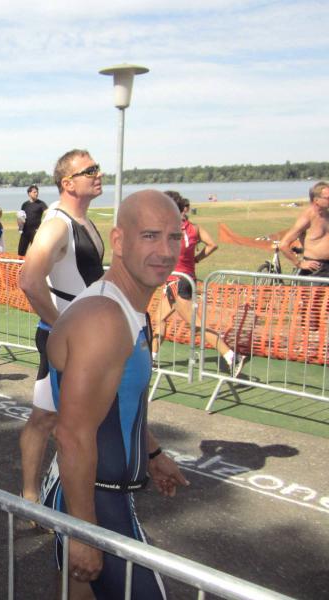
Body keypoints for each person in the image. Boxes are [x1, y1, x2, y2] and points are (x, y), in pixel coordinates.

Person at [46, 190, 189, 599]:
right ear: (119, 241)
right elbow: (72, 434)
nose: (166, 251)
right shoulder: (104, 318)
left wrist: (153, 454)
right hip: (93, 499)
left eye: (173, 237)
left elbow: (115, 404)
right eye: (150, 236)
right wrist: (83, 533)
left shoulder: (129, 308)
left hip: (97, 493)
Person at [18, 150, 105, 510]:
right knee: (45, 418)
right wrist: (61, 326)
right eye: (90, 170)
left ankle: (71, 492)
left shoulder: (82, 220)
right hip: (65, 340)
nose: (99, 174)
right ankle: (30, 496)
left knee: (78, 419)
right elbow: (29, 280)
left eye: (97, 167)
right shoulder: (57, 224)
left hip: (87, 339)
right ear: (68, 183)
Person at [152, 191, 246, 375]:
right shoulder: (194, 228)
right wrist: (196, 259)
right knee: (160, 319)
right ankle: (151, 358)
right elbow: (212, 245)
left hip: (177, 282)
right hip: (186, 279)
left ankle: (231, 356)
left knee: (196, 325)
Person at [279, 181, 329, 277]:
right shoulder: (308, 216)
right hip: (316, 269)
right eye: (328, 198)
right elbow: (283, 244)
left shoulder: (326, 214)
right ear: (316, 200)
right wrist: (299, 263)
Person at [17, 184, 48, 256]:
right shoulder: (25, 204)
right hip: (25, 232)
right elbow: (21, 217)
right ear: (29, 193)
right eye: (34, 192)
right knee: (21, 252)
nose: (36, 194)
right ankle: (21, 263)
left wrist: (43, 226)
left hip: (35, 232)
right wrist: (20, 224)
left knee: (36, 253)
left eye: (37, 192)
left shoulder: (41, 204)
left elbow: (48, 214)